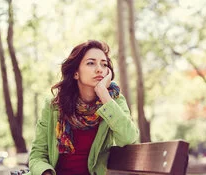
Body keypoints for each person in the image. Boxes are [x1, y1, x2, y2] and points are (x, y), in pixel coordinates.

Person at [27, 40, 139, 175]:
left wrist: (103, 94)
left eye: (104, 65)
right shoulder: (55, 105)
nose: (99, 69)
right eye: (91, 63)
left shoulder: (113, 101)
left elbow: (128, 137)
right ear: (76, 73)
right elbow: (37, 155)